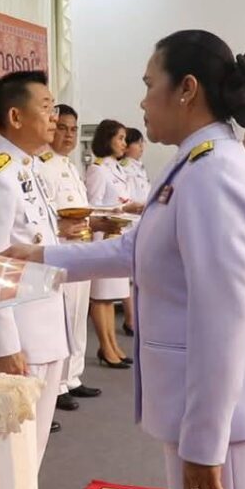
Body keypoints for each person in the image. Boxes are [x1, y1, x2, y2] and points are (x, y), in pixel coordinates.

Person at [4, 30, 245, 489]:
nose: (142, 102)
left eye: (149, 85)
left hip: (228, 415)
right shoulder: (193, 162)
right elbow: (135, 249)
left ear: (186, 89)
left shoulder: (213, 173)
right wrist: (37, 256)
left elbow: (224, 319)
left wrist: (205, 441)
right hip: (209, 405)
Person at [0, 70, 84, 459]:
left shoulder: (27, 167)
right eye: (46, 107)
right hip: (22, 341)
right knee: (11, 456)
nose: (54, 117)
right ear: (15, 116)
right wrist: (5, 344)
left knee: (32, 452)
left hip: (46, 333)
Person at [38, 104, 103, 413]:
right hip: (61, 250)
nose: (68, 135)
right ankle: (59, 384)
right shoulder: (42, 166)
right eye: (62, 128)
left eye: (73, 129)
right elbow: (43, 215)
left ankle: (74, 376)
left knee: (78, 316)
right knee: (63, 317)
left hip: (81, 248)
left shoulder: (71, 166)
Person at [85, 119, 139, 368]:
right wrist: (117, 211)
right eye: (120, 138)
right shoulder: (97, 169)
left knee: (111, 297)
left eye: (124, 139)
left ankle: (113, 346)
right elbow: (91, 206)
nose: (124, 143)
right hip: (103, 237)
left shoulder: (117, 168)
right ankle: (106, 348)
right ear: (107, 139)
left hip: (118, 235)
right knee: (101, 297)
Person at [119, 126, 150, 336]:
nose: (141, 147)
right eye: (137, 143)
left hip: (141, 222)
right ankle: (130, 319)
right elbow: (127, 198)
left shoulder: (139, 168)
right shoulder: (125, 168)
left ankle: (136, 317)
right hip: (130, 223)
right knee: (128, 277)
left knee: (137, 275)